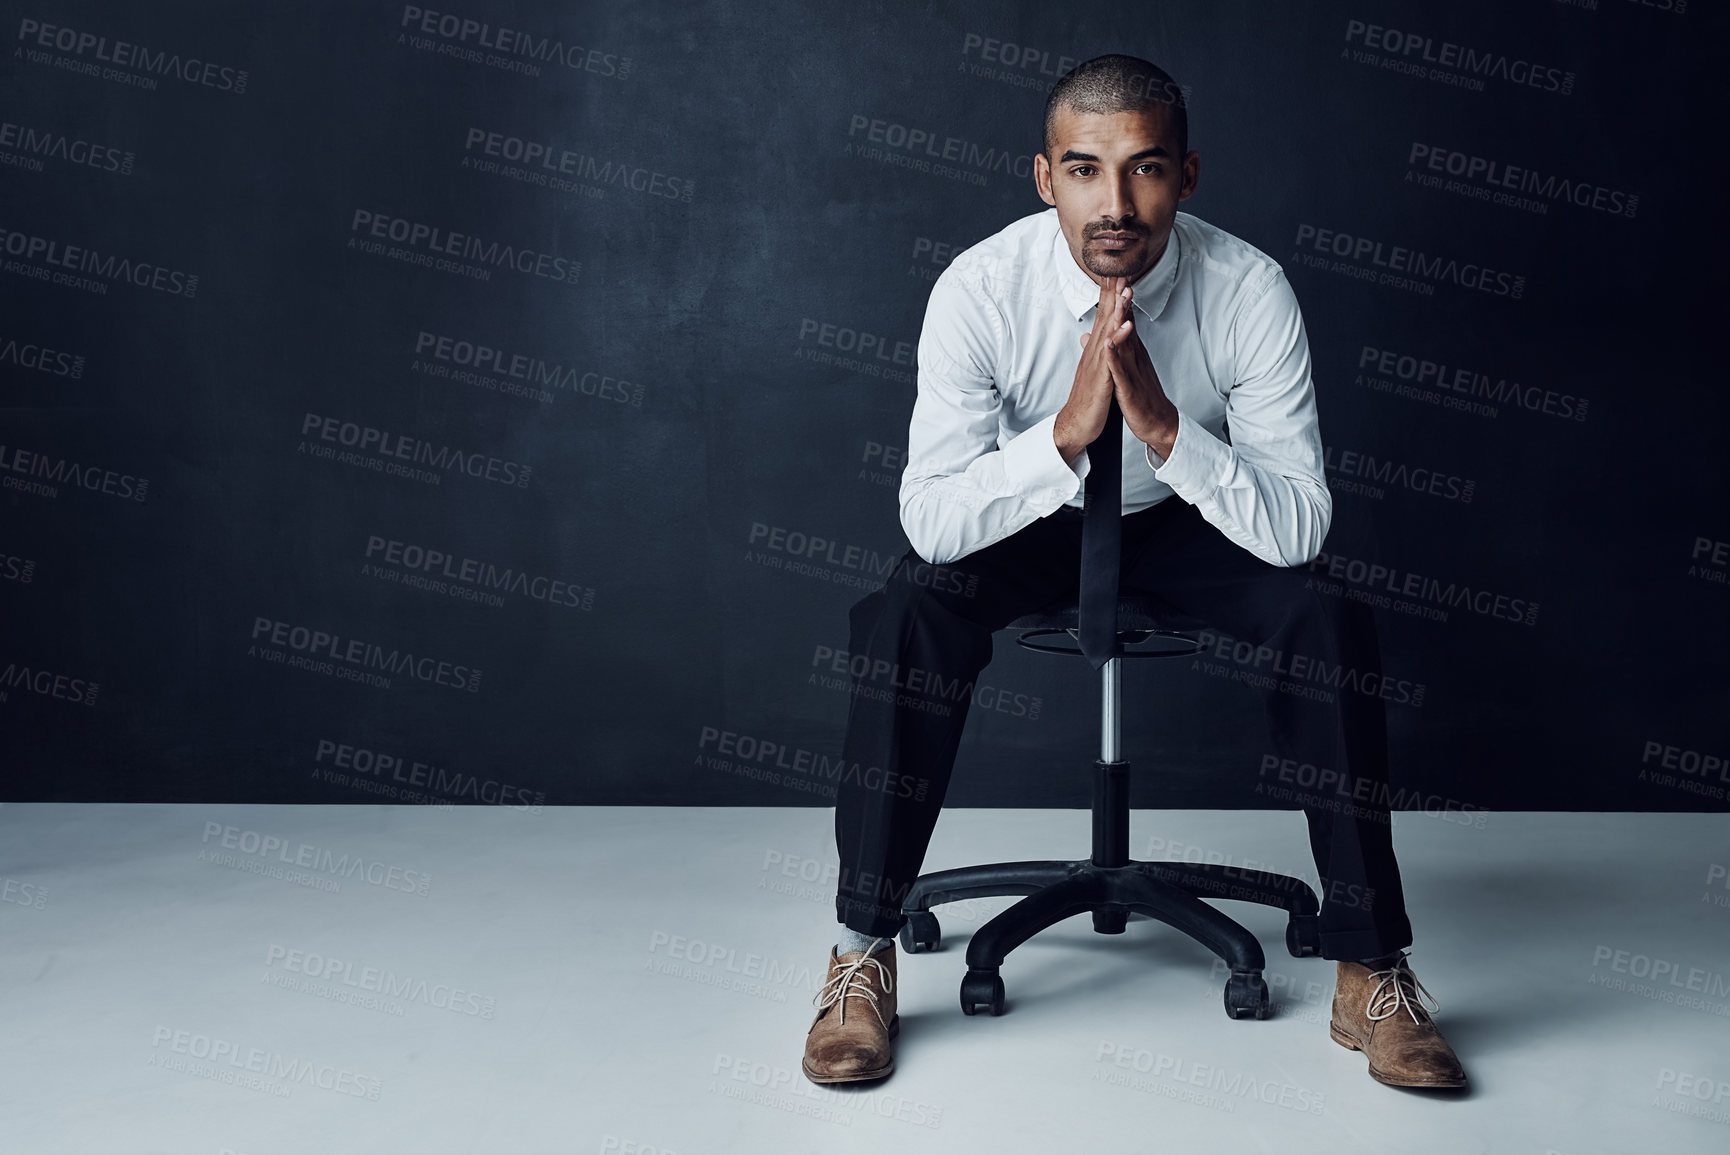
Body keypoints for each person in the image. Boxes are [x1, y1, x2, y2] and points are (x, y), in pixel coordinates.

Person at [801, 54, 1466, 1091]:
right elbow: (934, 518)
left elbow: (1294, 527)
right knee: (908, 609)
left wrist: (1161, 431)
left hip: (1186, 518)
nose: (1114, 203)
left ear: (1187, 176)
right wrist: (1064, 436)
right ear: (1041, 178)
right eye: (1082, 169)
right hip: (1033, 516)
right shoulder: (980, 289)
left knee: (1323, 613)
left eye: (1145, 169)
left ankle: (1368, 967)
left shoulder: (1247, 290)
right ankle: (859, 951)